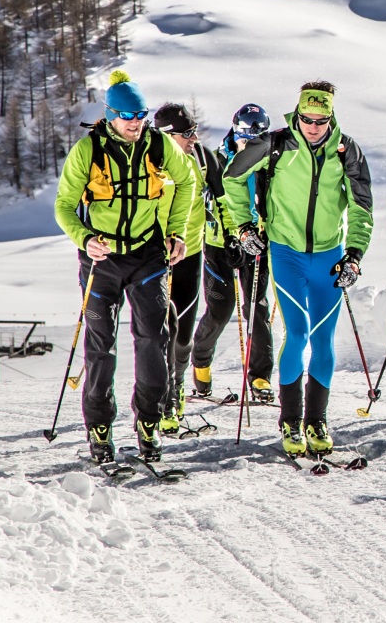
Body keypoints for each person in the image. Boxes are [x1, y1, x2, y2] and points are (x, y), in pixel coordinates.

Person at [53, 70, 198, 463]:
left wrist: (175, 231)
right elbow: (64, 206)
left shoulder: (159, 145)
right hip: (102, 259)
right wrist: (85, 239)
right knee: (102, 345)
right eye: (127, 116)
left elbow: (187, 182)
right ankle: (99, 427)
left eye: (141, 115)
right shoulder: (89, 150)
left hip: (148, 254)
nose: (135, 123)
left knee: (155, 337)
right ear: (110, 114)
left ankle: (148, 422)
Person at [222, 82, 373, 456]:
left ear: (331, 117)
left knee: (323, 339)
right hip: (286, 251)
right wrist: (243, 226)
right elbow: (231, 177)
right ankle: (290, 420)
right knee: (299, 332)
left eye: (321, 120)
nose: (313, 126)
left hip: (329, 255)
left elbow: (361, 207)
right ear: (298, 113)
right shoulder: (275, 144)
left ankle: (316, 420)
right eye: (307, 118)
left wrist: (354, 255)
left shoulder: (347, 150)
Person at [189, 104, 276, 404]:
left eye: (257, 137)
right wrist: (231, 236)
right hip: (219, 245)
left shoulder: (268, 162)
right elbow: (210, 201)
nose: (249, 143)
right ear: (234, 130)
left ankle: (260, 376)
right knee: (220, 311)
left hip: (257, 243)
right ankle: (200, 364)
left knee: (257, 309)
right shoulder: (218, 160)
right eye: (244, 135)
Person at [150, 102, 221, 433]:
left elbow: (222, 199)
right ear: (166, 136)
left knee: (182, 333)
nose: (194, 138)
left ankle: (176, 387)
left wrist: (232, 238)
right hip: (152, 257)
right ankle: (160, 398)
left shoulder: (202, 158)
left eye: (195, 131)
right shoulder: (148, 160)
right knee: (158, 333)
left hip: (190, 254)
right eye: (186, 133)